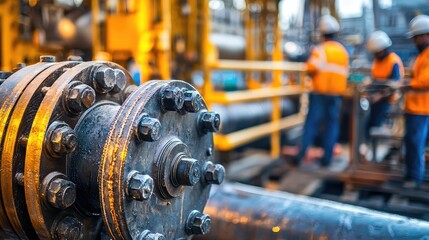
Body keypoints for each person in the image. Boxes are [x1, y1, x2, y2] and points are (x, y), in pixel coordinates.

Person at [293, 15, 349, 167]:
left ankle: (301, 154)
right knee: (332, 126)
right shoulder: (343, 52)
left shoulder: (321, 50)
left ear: (322, 34)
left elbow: (311, 68)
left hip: (319, 94)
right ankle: (327, 159)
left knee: (311, 124)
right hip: (336, 95)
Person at [361, 31, 404, 159]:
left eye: (377, 52)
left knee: (375, 125)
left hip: (389, 101)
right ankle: (367, 151)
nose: (375, 55)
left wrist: (379, 96)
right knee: (368, 125)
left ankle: (379, 153)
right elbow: (376, 79)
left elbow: (394, 86)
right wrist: (367, 86)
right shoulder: (377, 61)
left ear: (383, 49)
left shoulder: (393, 61)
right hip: (376, 100)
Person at [402, 15, 429, 188]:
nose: (414, 41)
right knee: (414, 143)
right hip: (417, 107)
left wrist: (407, 85)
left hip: (420, 108)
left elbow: (426, 80)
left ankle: (414, 178)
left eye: (416, 37)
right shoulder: (422, 55)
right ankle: (414, 175)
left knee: (415, 144)